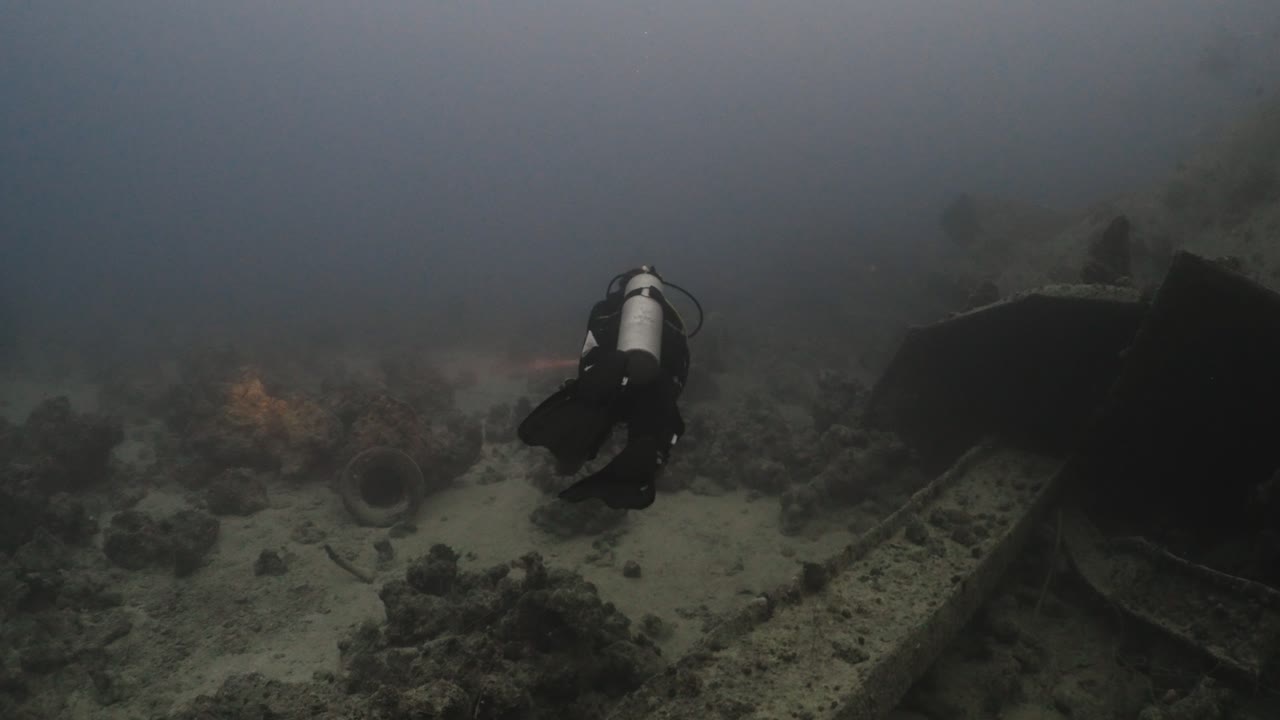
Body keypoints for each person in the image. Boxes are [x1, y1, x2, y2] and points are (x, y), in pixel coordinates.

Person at [518, 265, 697, 510]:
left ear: (623, 287)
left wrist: (586, 382)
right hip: (654, 390)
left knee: (594, 411)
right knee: (652, 429)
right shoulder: (671, 318)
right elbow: (681, 366)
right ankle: (651, 452)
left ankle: (571, 458)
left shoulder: (604, 309)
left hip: (608, 382)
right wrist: (668, 400)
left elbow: (589, 351)